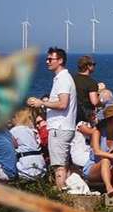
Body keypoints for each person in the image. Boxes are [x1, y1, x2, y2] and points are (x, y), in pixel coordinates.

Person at [27, 47, 78, 188]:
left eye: (51, 59)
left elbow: (62, 104)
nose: (47, 61)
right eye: (47, 59)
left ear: (60, 60)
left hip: (59, 128)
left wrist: (41, 102)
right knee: (64, 165)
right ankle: (66, 195)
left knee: (59, 166)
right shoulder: (62, 78)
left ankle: (60, 197)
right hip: (63, 127)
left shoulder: (63, 79)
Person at [7, 108, 48, 182]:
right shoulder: (33, 131)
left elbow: (11, 147)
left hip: (25, 170)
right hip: (42, 169)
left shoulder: (13, 131)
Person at [72, 56, 102, 125]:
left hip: (73, 113)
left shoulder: (72, 79)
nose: (94, 66)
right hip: (86, 116)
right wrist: (102, 103)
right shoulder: (91, 82)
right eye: (93, 64)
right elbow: (94, 102)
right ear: (88, 66)